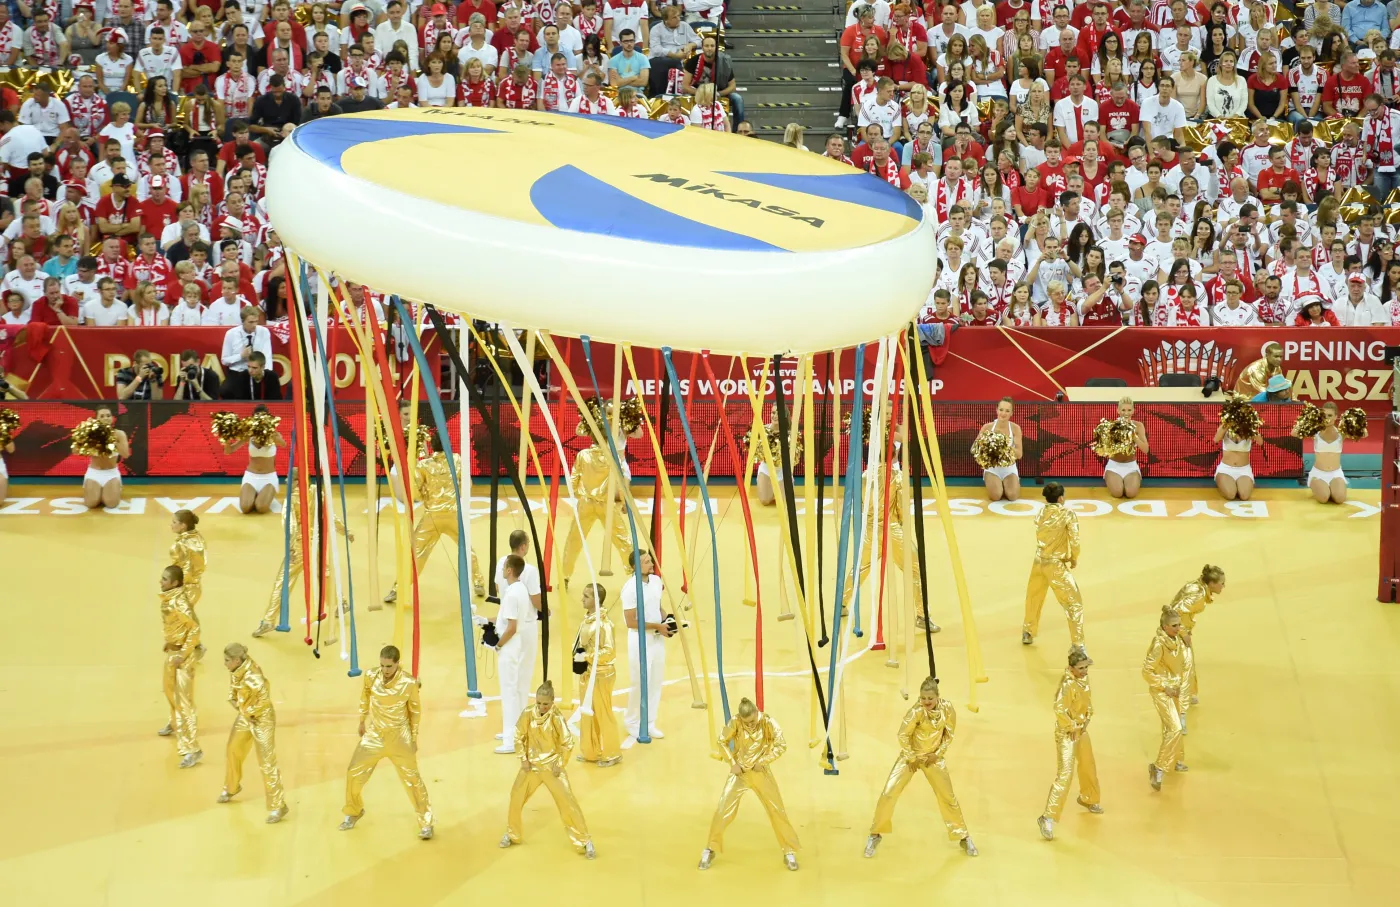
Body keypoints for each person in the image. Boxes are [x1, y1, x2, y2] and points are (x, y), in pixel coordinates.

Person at [864, 676, 977, 859]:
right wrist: (911, 756)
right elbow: (902, 735)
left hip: (933, 759)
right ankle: (875, 834)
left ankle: (963, 836)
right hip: (911, 758)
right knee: (889, 792)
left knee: (947, 797)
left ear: (937, 697)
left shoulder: (947, 708)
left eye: (930, 698)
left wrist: (937, 754)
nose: (926, 702)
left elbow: (949, 735)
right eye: (923, 698)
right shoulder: (915, 711)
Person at [340, 645, 434, 840]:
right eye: (382, 665)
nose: (385, 670)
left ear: (397, 664)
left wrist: (414, 738)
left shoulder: (409, 682)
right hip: (375, 734)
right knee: (353, 772)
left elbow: (415, 712)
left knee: (413, 780)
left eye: (389, 666)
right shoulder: (371, 676)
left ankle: (426, 823)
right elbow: (365, 695)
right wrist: (362, 719)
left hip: (400, 736)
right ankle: (354, 810)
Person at [699, 697, 800, 871]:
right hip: (741, 774)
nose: (751, 725)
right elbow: (721, 741)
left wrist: (765, 760)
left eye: (752, 721)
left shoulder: (768, 722)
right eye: (747, 723)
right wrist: (732, 762)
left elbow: (781, 745)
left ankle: (788, 851)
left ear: (756, 712)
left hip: (761, 773)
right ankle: (710, 849)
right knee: (723, 810)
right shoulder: (736, 722)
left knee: (777, 810)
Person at [499, 680, 596, 858]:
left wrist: (559, 764)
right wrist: (523, 759)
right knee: (516, 798)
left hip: (552, 768)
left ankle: (584, 841)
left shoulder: (557, 718)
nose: (542, 707)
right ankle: (512, 834)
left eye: (545, 704)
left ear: (552, 702)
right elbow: (519, 736)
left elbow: (567, 743)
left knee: (568, 803)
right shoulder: (528, 713)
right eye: (538, 703)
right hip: (531, 767)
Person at [381, 440, 486, 605]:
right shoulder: (457, 459)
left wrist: (426, 496)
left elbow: (415, 491)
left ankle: (398, 589)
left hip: (432, 517)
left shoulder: (423, 465)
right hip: (454, 515)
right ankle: (478, 582)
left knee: (416, 554)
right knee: (466, 549)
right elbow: (468, 484)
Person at [254, 483, 353, 637]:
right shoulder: (316, 491)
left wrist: (290, 547)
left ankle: (269, 620)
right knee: (324, 572)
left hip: (300, 546)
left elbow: (290, 524)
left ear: (294, 481)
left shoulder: (292, 498)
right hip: (317, 543)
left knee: (284, 581)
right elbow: (329, 514)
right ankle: (339, 603)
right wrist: (345, 530)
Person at [217, 642, 288, 823]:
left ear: (237, 660)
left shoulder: (253, 675)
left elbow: (264, 699)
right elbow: (233, 695)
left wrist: (248, 713)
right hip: (247, 716)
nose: (224, 664)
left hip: (261, 719)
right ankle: (232, 787)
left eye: (227, 661)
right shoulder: (236, 671)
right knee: (233, 748)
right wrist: (241, 710)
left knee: (266, 762)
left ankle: (278, 806)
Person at [1037, 647, 1101, 841]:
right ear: (1071, 668)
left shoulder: (1083, 680)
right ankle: (1047, 817)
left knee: (1088, 765)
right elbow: (1059, 709)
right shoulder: (1067, 685)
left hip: (1081, 730)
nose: (1084, 671)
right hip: (1067, 734)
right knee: (1065, 775)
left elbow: (1088, 704)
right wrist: (1072, 726)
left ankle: (1089, 797)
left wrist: (1087, 719)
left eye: (1086, 667)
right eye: (1081, 668)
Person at [561, 421, 633, 579]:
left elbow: (573, 480)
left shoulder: (583, 455)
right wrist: (624, 502)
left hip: (585, 504)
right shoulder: (613, 458)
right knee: (623, 541)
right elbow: (621, 483)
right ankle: (634, 574)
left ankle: (565, 577)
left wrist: (579, 495)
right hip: (606, 505)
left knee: (574, 541)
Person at [1022, 482, 1086, 652]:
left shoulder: (1040, 512)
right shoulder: (1068, 514)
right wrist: (1073, 558)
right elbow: (1075, 541)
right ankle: (1078, 645)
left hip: (1038, 561)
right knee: (1074, 604)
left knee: (1033, 598)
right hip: (1056, 566)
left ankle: (1028, 631)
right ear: (1061, 498)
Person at [622, 549, 673, 747]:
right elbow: (631, 621)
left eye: (650, 560)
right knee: (639, 681)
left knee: (655, 680)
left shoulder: (656, 582)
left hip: (656, 638)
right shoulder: (630, 589)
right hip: (639, 639)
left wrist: (667, 621)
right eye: (645, 561)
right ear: (635, 566)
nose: (650, 563)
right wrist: (656, 626)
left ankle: (650, 720)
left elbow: (657, 608)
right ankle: (632, 721)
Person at [493, 554, 540, 754]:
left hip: (510, 645)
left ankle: (510, 740)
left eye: (504, 567)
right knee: (515, 689)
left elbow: (511, 627)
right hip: (516, 643)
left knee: (508, 692)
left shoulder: (511, 594)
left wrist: (497, 644)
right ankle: (514, 732)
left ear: (509, 570)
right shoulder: (520, 589)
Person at [157, 564, 202, 769]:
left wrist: (183, 654)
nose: (161, 581)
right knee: (169, 691)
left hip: (182, 658)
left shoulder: (179, 602)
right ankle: (175, 723)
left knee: (185, 703)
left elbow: (194, 628)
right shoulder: (169, 598)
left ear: (175, 583)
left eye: (165, 579)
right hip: (172, 653)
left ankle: (192, 748)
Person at [1170, 565, 1225, 730]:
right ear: (1212, 583)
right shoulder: (1198, 596)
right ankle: (1179, 717)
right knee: (1183, 670)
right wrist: (1182, 632)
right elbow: (1175, 611)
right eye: (1221, 583)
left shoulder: (1197, 587)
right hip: (1175, 632)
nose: (1223, 586)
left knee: (1186, 666)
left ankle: (1189, 697)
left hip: (1177, 630)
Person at [574, 582, 621, 767]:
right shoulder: (587, 620)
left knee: (603, 713)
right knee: (587, 713)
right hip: (587, 672)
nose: (582, 599)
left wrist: (587, 655)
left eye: (586, 596)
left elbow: (610, 652)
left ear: (596, 600)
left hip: (601, 674)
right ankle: (590, 751)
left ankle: (612, 753)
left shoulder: (605, 625)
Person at [1143, 608, 1190, 791]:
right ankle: (1159, 767)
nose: (1179, 628)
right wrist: (1164, 686)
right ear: (1164, 627)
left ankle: (1177, 759)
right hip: (1162, 691)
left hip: (1175, 689)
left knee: (1172, 724)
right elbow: (1146, 671)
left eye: (1179, 625)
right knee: (1175, 728)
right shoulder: (1158, 645)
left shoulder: (1176, 638)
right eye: (1174, 626)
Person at [222, 405, 286, 513]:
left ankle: (263, 495)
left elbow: (283, 444)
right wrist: (227, 440)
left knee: (261, 508)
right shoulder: (249, 435)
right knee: (245, 508)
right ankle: (254, 494)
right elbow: (229, 451)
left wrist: (271, 436)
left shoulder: (273, 434)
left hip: (268, 478)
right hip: (251, 477)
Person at [80, 406, 130, 509]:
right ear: (96, 419)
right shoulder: (90, 434)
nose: (106, 418)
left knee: (111, 504)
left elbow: (125, 454)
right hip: (94, 473)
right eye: (102, 416)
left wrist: (112, 439)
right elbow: (75, 451)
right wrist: (84, 438)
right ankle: (99, 492)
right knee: (91, 504)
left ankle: (109, 491)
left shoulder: (119, 434)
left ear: (112, 418)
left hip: (111, 474)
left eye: (108, 415)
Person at [977, 396, 1022, 501]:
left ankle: (1011, 482)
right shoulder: (987, 427)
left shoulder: (1015, 428)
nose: (1003, 413)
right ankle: (992, 481)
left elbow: (1019, 454)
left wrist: (1003, 445)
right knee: (996, 496)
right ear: (996, 410)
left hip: (1009, 469)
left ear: (1012, 413)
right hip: (992, 469)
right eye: (1001, 410)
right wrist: (989, 447)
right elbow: (975, 449)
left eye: (1007, 411)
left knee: (1012, 496)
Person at [1103, 396, 1148, 498]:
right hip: (1114, 466)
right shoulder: (1111, 426)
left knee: (1131, 494)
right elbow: (1106, 450)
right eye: (1123, 410)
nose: (1126, 413)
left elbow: (1146, 450)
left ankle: (1132, 480)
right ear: (1118, 411)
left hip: (1131, 466)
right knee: (1117, 493)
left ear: (1133, 411)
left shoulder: (1139, 426)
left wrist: (1132, 435)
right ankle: (1110, 478)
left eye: (1129, 410)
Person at [1309, 402, 1348, 504]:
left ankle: (1332, 489)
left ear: (1336, 416)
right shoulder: (1315, 432)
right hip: (1318, 473)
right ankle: (1318, 486)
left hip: (1336, 473)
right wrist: (1306, 422)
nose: (1327, 418)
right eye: (1324, 415)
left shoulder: (1342, 433)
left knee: (1339, 499)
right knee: (1324, 498)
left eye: (1330, 415)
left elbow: (1364, 433)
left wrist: (1353, 422)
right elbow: (1294, 433)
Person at [1214, 411, 1256, 502]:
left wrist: (1251, 427)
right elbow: (1216, 439)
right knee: (1231, 495)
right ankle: (1221, 480)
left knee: (1244, 496)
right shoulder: (1226, 426)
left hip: (1244, 470)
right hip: (1226, 469)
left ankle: (1238, 484)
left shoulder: (1249, 428)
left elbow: (1260, 441)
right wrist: (1227, 424)